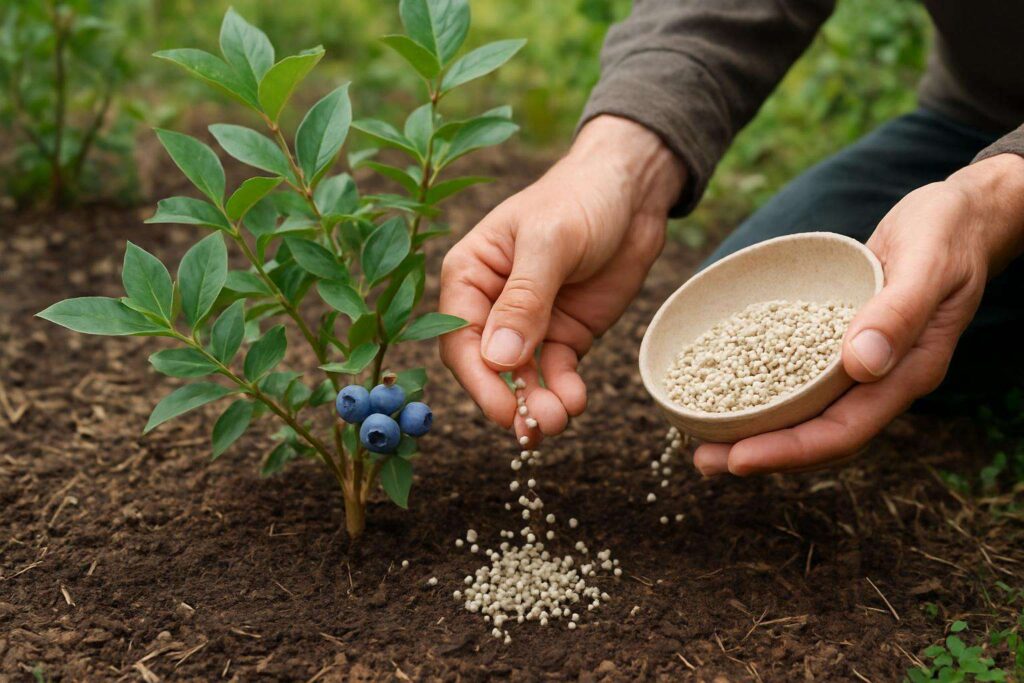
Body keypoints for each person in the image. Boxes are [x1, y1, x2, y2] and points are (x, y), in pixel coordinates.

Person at [438, 0, 1024, 476]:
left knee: (923, 313)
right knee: (833, 312)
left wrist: (996, 203)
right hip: (975, 116)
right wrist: (623, 160)